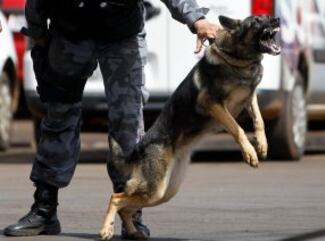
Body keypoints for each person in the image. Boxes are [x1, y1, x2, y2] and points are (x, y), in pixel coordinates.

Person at [3, 0, 219, 239]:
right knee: (58, 118)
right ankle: (44, 210)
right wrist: (37, 31)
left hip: (121, 36)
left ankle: (131, 215)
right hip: (70, 33)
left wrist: (196, 19)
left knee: (128, 126)